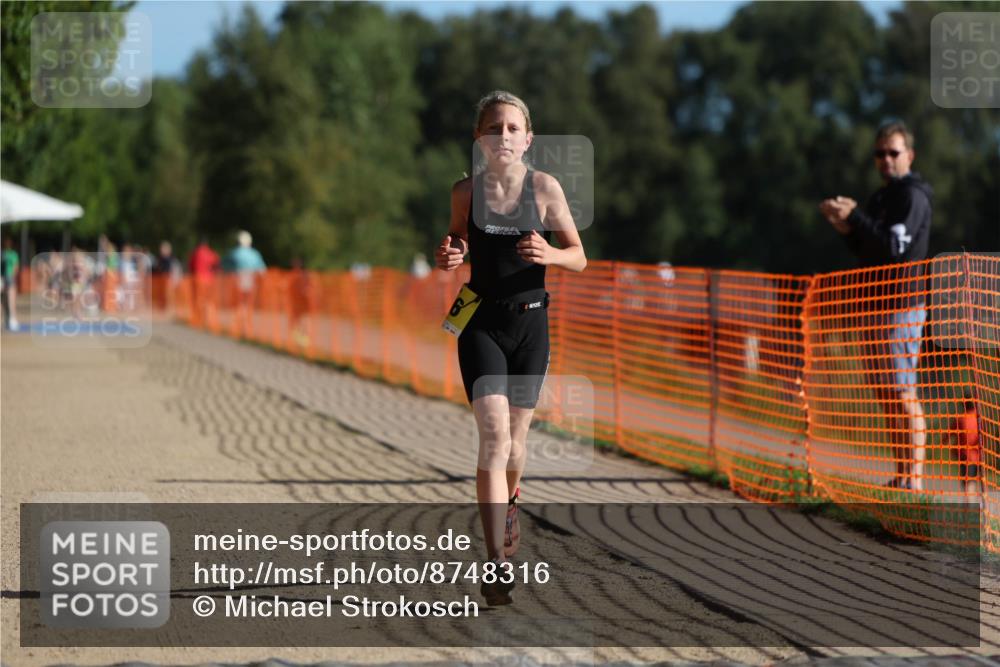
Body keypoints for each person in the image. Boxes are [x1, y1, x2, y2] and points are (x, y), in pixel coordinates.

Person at [435, 91, 586, 606]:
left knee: (517, 446)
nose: (503, 136)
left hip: (530, 327)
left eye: (512, 128)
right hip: (480, 323)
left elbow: (580, 256)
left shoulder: (544, 188)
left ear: (528, 139)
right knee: (495, 438)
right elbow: (455, 245)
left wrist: (550, 252)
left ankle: (512, 499)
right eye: (493, 128)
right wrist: (450, 254)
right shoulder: (464, 193)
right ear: (478, 139)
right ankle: (497, 563)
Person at [819, 120, 932, 491]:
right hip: (874, 303)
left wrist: (856, 217)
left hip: (902, 304)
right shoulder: (881, 198)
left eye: (893, 152)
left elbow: (893, 249)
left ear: (909, 156)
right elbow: (869, 250)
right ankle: (901, 473)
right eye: (880, 153)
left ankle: (914, 479)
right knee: (885, 391)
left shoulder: (911, 196)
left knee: (902, 390)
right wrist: (846, 228)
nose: (886, 159)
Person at [223, 230, 266, 338]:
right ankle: (247, 328)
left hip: (237, 282)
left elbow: (224, 266)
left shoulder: (234, 253)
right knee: (248, 305)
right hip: (251, 283)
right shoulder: (254, 254)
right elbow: (262, 270)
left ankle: (238, 327)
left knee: (239, 305)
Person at [946, 393, 982, 497]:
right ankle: (971, 505)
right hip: (977, 457)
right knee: (972, 482)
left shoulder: (961, 419)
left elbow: (948, 434)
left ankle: (969, 507)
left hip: (965, 456)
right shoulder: (978, 418)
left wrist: (944, 444)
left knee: (967, 483)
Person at [188, 238, 220, 328]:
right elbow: (217, 264)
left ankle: (198, 319)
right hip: (209, 280)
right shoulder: (211, 252)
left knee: (198, 300)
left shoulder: (195, 252)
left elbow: (190, 266)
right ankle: (210, 321)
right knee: (209, 301)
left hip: (197, 279)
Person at [1, 237, 20, 331]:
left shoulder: (11, 254)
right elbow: (16, 267)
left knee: (9, 300)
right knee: (7, 300)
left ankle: (11, 319)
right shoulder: (5, 253)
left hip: (8, 277)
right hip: (5, 277)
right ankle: (10, 319)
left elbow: (16, 267)